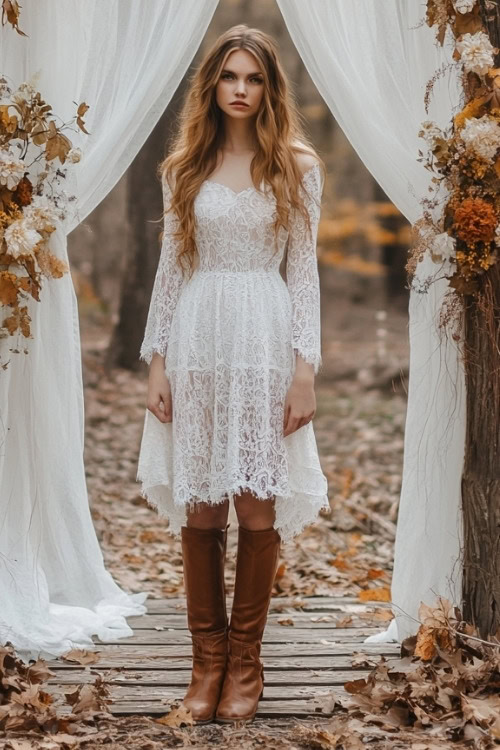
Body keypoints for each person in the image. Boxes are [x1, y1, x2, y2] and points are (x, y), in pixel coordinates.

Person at [137, 23, 329, 725]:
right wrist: (157, 360)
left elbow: (304, 275)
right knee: (202, 505)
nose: (241, 90)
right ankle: (205, 664)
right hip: (197, 336)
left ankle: (246, 662)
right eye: (229, 77)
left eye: (253, 78)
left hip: (266, 335)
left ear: (269, 86)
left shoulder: (298, 166)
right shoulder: (184, 165)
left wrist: (305, 369)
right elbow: (171, 268)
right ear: (212, 85)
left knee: (255, 503)